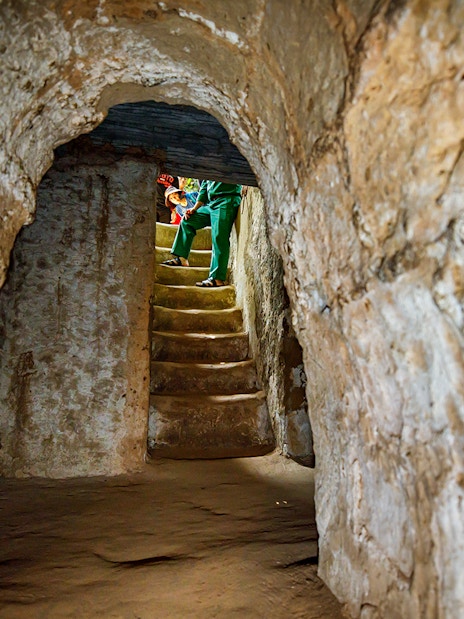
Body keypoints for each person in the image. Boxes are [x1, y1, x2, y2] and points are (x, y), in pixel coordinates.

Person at [162, 180, 242, 287]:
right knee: (187, 221)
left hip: (226, 199)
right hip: (211, 204)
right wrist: (194, 209)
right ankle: (182, 258)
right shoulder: (208, 170)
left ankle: (217, 278)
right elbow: (203, 189)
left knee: (219, 236)